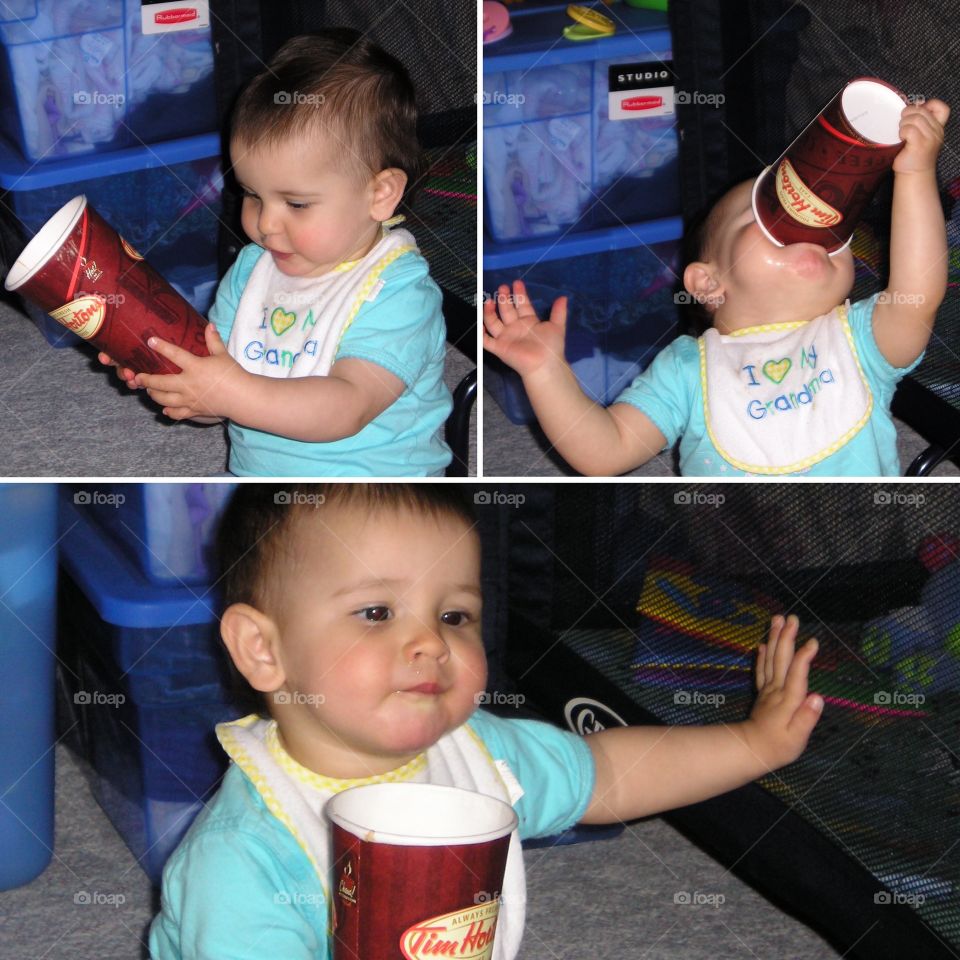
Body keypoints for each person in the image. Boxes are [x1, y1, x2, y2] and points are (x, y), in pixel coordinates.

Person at [149, 483, 824, 960]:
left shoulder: (476, 753)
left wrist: (752, 742)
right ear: (264, 651)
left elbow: (610, 775)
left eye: (455, 616)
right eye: (377, 612)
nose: (432, 644)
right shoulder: (244, 859)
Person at [483, 99, 949, 477]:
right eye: (767, 220)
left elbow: (919, 290)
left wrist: (914, 174)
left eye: (830, 231)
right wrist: (546, 372)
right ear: (707, 282)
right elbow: (605, 453)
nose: (804, 229)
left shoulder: (860, 339)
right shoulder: (687, 369)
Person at [100, 30, 452, 477]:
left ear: (380, 194)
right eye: (251, 194)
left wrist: (230, 391)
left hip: (376, 496)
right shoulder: (251, 271)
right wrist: (185, 384)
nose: (265, 224)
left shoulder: (400, 293)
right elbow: (223, 401)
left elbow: (348, 408)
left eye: (297, 203)